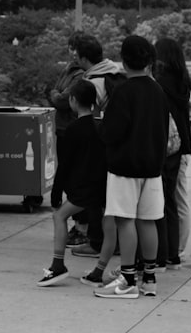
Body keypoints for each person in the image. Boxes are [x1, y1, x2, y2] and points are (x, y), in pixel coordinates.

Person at [94, 35, 168, 300]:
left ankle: (127, 279)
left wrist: (99, 125)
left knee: (125, 220)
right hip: (152, 168)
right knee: (148, 221)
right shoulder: (158, 90)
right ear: (149, 60)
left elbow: (111, 132)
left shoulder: (123, 91)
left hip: (125, 166)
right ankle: (149, 278)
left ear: (123, 60)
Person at [37, 78, 106, 286]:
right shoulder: (100, 126)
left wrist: (56, 192)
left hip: (82, 188)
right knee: (108, 226)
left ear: (73, 101)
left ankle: (58, 265)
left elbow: (65, 164)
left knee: (59, 216)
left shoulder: (73, 129)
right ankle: (100, 272)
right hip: (100, 186)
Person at [69, 35, 124, 258]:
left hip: (100, 146)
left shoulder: (94, 82)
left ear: (83, 58)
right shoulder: (115, 73)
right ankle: (112, 242)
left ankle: (97, 243)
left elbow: (89, 116)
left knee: (95, 196)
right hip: (118, 144)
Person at [48, 31, 92, 245]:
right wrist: (57, 95)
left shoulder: (81, 74)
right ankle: (78, 224)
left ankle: (82, 227)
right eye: (70, 47)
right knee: (67, 175)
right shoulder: (68, 69)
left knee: (73, 177)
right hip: (62, 127)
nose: (72, 52)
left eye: (75, 49)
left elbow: (63, 99)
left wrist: (57, 95)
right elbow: (56, 91)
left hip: (72, 127)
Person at [154, 38, 191, 271]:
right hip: (180, 146)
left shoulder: (160, 83)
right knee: (174, 201)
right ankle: (174, 252)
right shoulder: (182, 81)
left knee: (162, 202)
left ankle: (164, 252)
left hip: (165, 147)